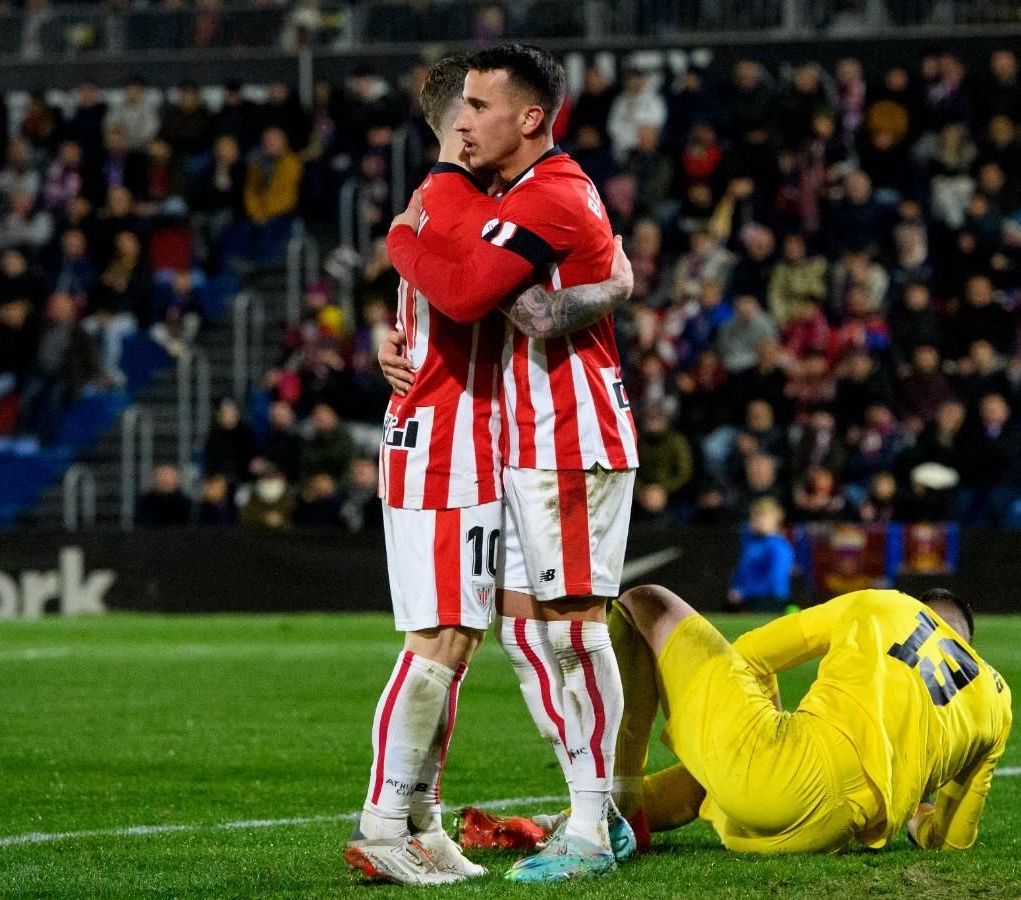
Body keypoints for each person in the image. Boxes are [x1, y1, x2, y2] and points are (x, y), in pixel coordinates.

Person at [355, 52, 635, 888]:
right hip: (491, 443)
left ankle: (592, 819)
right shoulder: (479, 196)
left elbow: (505, 301)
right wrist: (402, 267)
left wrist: (405, 242)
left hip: (566, 436)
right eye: (461, 107)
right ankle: (426, 819)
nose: (467, 122)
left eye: (482, 105)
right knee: (515, 635)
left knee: (568, 632)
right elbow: (458, 292)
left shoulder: (544, 191)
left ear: (531, 118)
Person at [472, 585, 1010, 856]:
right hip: (823, 833)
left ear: (922, 608)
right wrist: (921, 819)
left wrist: (746, 712)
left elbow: (751, 655)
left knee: (644, 601)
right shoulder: (995, 699)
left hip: (783, 770)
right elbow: (952, 838)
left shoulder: (888, 604)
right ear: (966, 639)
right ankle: (577, 817)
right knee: (724, 768)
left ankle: (620, 810)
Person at [727, 498, 794, 612]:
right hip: (750, 600)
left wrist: (744, 592)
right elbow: (742, 571)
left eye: (764, 516)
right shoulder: (750, 543)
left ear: (776, 519)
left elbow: (775, 579)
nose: (759, 520)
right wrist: (736, 588)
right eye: (756, 516)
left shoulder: (779, 546)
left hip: (771, 601)